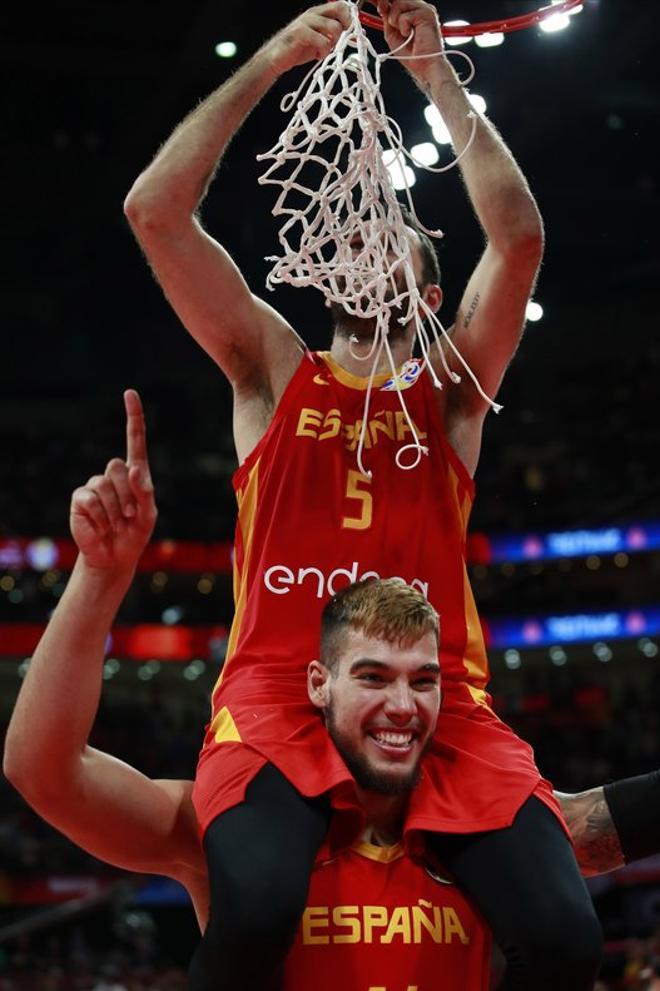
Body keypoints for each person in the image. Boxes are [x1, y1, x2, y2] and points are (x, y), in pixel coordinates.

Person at [121, 1, 607, 987]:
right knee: (254, 910)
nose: (367, 234)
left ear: (430, 295)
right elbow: (154, 212)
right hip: (277, 702)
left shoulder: (453, 395)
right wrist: (273, 59)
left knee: (565, 940)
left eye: (398, 235)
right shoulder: (269, 371)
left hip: (441, 709)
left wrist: (431, 70)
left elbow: (517, 240)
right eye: (357, 227)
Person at [3, 393, 658, 988]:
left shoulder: (492, 833)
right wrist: (98, 577)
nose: (401, 705)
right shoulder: (233, 826)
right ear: (320, 686)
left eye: (423, 681)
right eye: (372, 677)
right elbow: (43, 771)